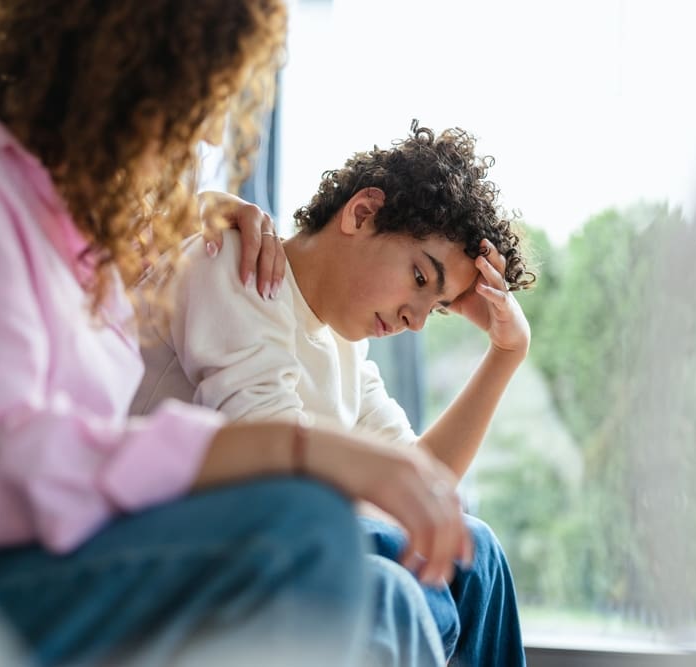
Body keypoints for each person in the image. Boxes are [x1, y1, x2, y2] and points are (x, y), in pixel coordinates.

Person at [0, 2, 474, 666]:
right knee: (302, 530)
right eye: (194, 103)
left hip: (10, 558)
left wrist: (178, 216)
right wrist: (295, 450)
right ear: (121, 73)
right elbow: (1, 472)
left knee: (388, 596)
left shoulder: (63, 224)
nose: (205, 136)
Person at [133, 122, 537, 666]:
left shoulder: (345, 349)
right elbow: (281, 486)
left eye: (437, 307)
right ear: (362, 213)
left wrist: (506, 353)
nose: (416, 321)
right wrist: (392, 498)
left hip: (269, 547)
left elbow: (421, 483)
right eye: (421, 279)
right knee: (418, 574)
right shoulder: (237, 260)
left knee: (476, 550)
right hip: (178, 553)